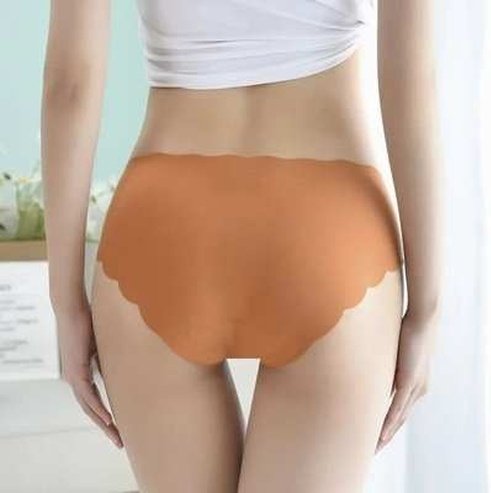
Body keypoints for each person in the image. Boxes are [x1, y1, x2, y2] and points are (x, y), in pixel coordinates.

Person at [41, 0, 443, 491]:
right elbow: (410, 78)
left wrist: (66, 304)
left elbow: (70, 86)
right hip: (328, 233)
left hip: (161, 229)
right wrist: (424, 311)